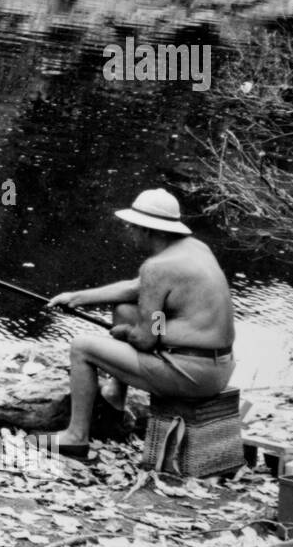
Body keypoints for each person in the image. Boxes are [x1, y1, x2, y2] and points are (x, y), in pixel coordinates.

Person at [43, 189, 235, 460]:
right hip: (218, 367)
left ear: (149, 231)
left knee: (82, 347)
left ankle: (76, 437)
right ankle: (114, 397)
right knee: (124, 309)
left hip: (192, 375)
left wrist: (125, 333)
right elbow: (137, 290)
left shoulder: (157, 267)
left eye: (133, 227)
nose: (130, 232)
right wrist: (77, 298)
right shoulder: (194, 249)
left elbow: (147, 338)